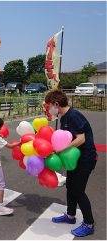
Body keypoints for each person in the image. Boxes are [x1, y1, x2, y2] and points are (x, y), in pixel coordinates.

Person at [45, 89, 97, 237]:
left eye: (49, 106)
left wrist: (61, 149)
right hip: (73, 159)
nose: (49, 109)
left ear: (56, 103)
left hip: (85, 159)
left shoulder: (74, 116)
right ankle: (70, 216)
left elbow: (81, 139)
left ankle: (89, 223)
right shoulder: (64, 117)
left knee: (78, 190)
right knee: (70, 187)